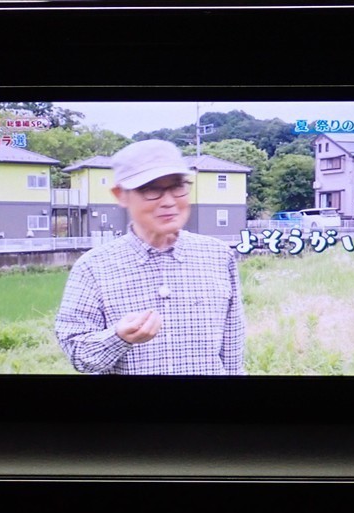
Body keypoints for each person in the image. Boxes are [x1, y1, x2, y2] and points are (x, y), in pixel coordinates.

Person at [55, 139, 245, 375]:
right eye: (151, 189)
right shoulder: (93, 267)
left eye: (178, 186)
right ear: (120, 195)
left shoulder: (218, 256)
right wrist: (118, 338)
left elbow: (233, 354)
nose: (169, 202)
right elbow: (79, 355)